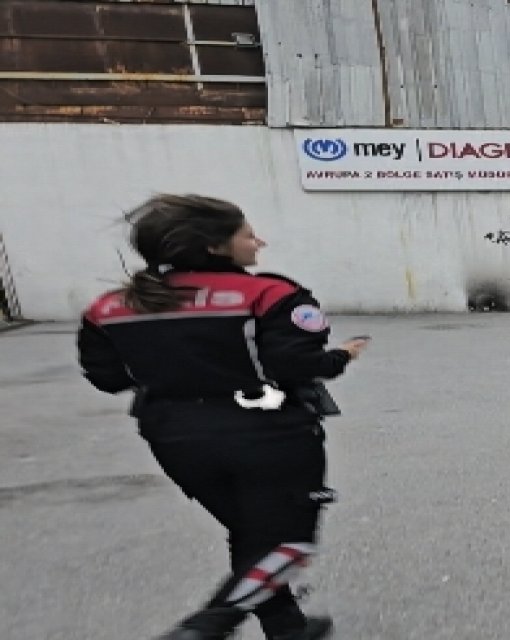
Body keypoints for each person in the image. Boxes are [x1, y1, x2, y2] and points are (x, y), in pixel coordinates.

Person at [76, 194, 368, 640]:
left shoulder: (111, 307)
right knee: (287, 542)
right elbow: (296, 365)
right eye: (249, 235)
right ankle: (207, 627)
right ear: (215, 247)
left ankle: (287, 628)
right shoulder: (270, 294)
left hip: (174, 437)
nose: (259, 242)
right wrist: (340, 357)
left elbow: (109, 379)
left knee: (251, 534)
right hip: (271, 433)